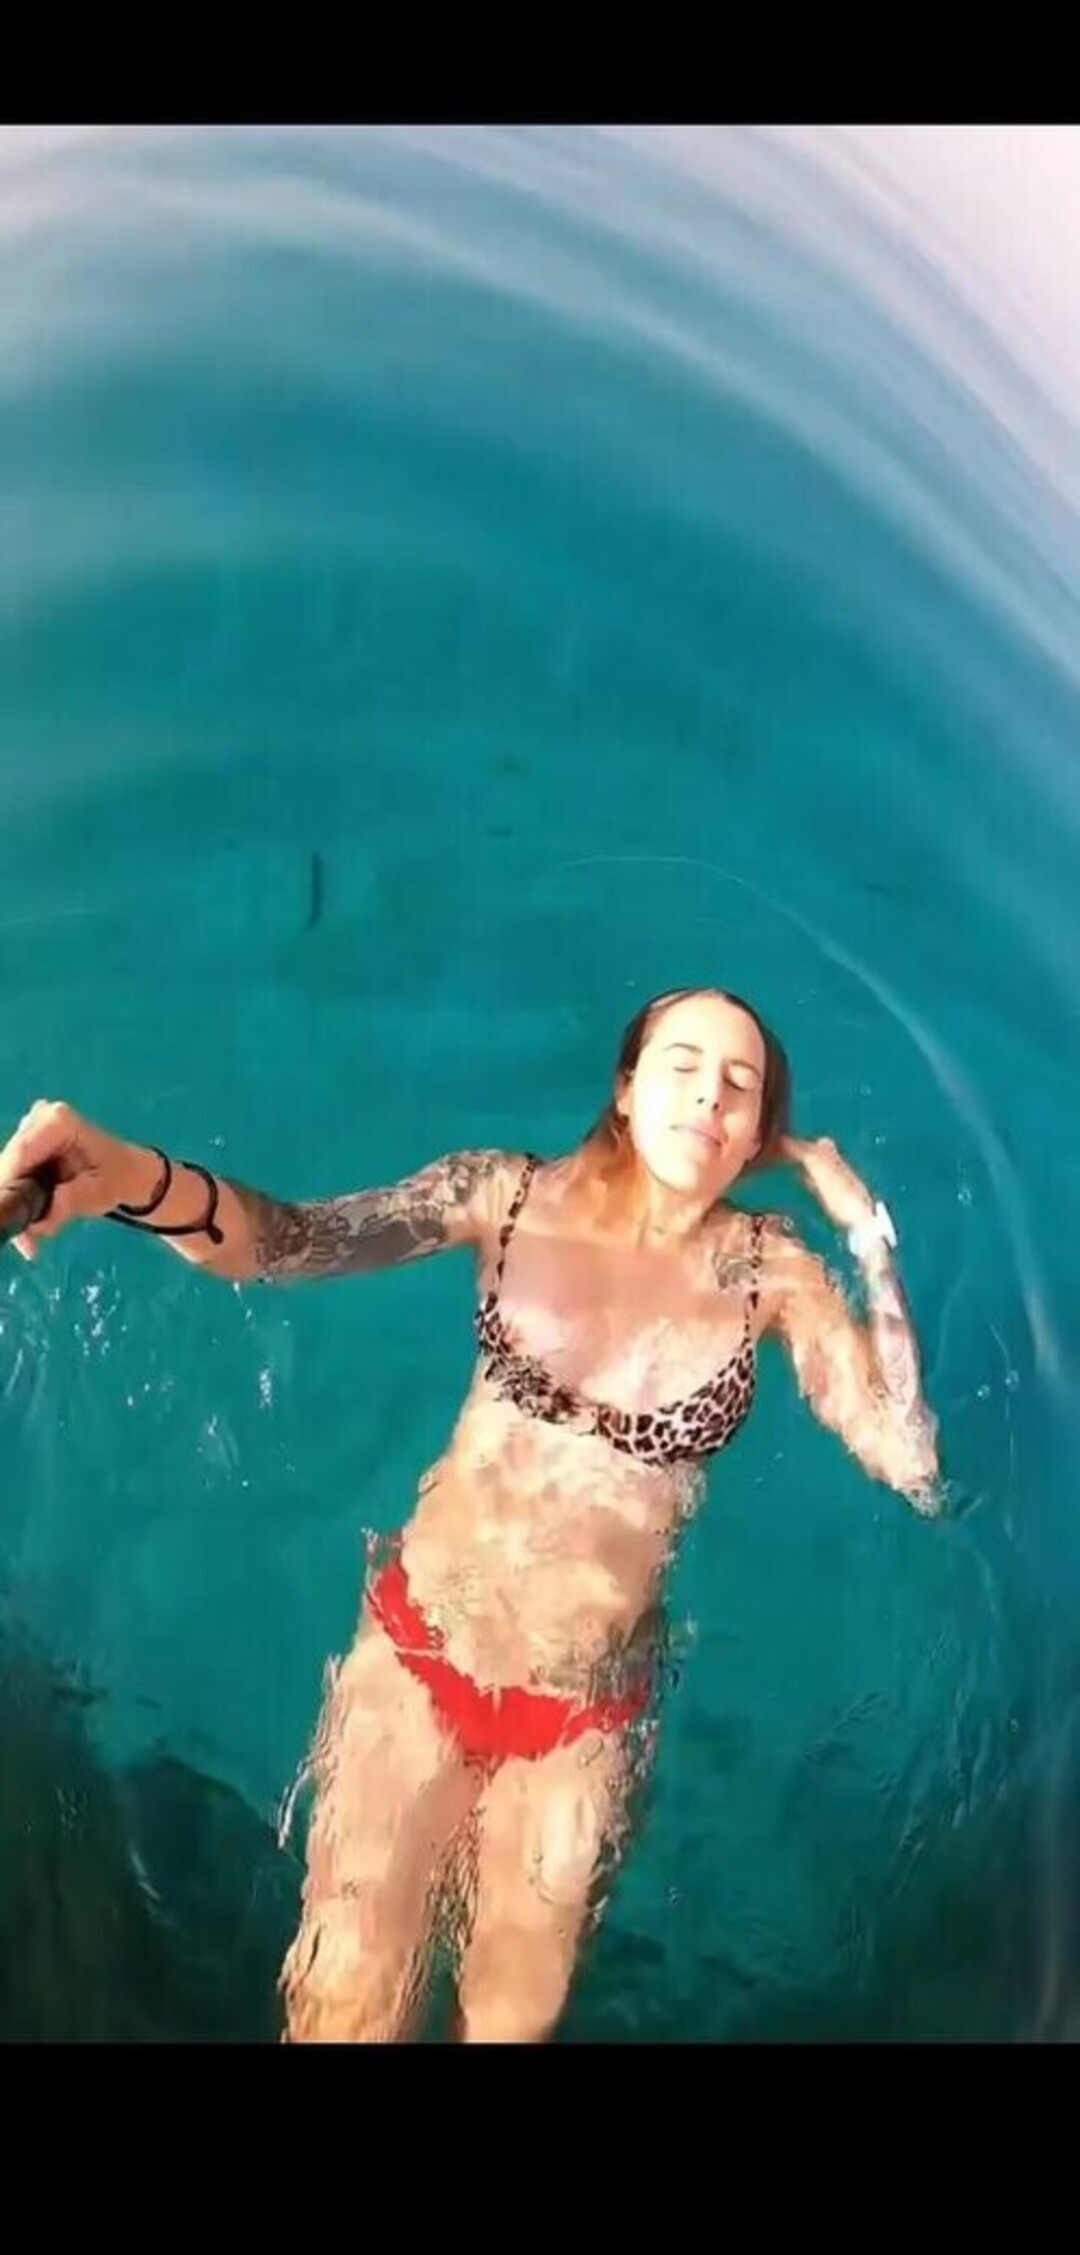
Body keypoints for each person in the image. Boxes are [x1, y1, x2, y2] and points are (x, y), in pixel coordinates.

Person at [0, 985, 940, 2042]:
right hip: (420, 1655)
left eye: (740, 1082)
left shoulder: (774, 1276)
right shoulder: (503, 1195)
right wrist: (122, 1175)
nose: (708, 1095)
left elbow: (908, 1459)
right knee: (344, 2006)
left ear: (760, 1134)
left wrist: (866, 1234)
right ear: (626, 1089)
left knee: (508, 2022)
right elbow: (289, 1241)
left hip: (580, 1720)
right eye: (682, 1064)